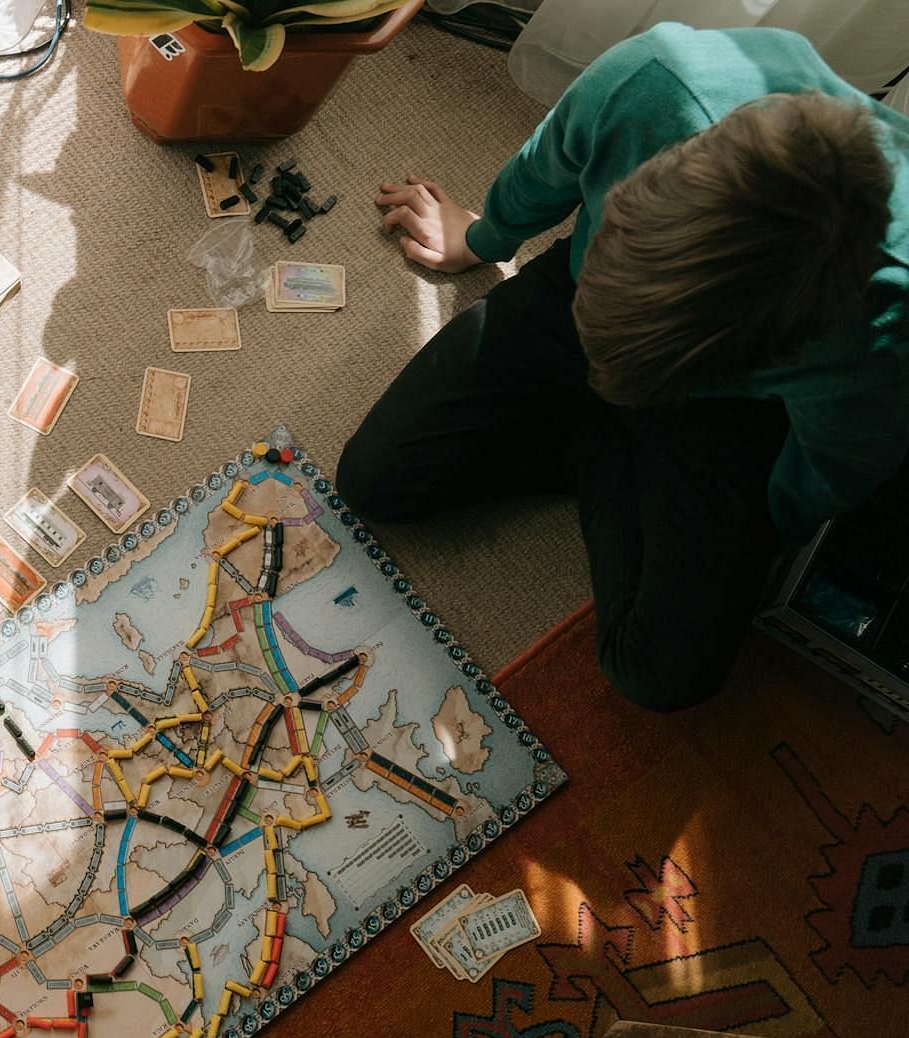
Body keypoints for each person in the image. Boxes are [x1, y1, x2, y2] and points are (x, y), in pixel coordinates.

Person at [341, 23, 908, 712]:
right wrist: (484, 237)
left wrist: (742, 538)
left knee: (660, 676)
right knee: (376, 482)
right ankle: (604, 430)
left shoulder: (888, 326)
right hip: (582, 304)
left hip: (730, 416)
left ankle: (598, 446)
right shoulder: (653, 78)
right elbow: (547, 165)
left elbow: (829, 469)